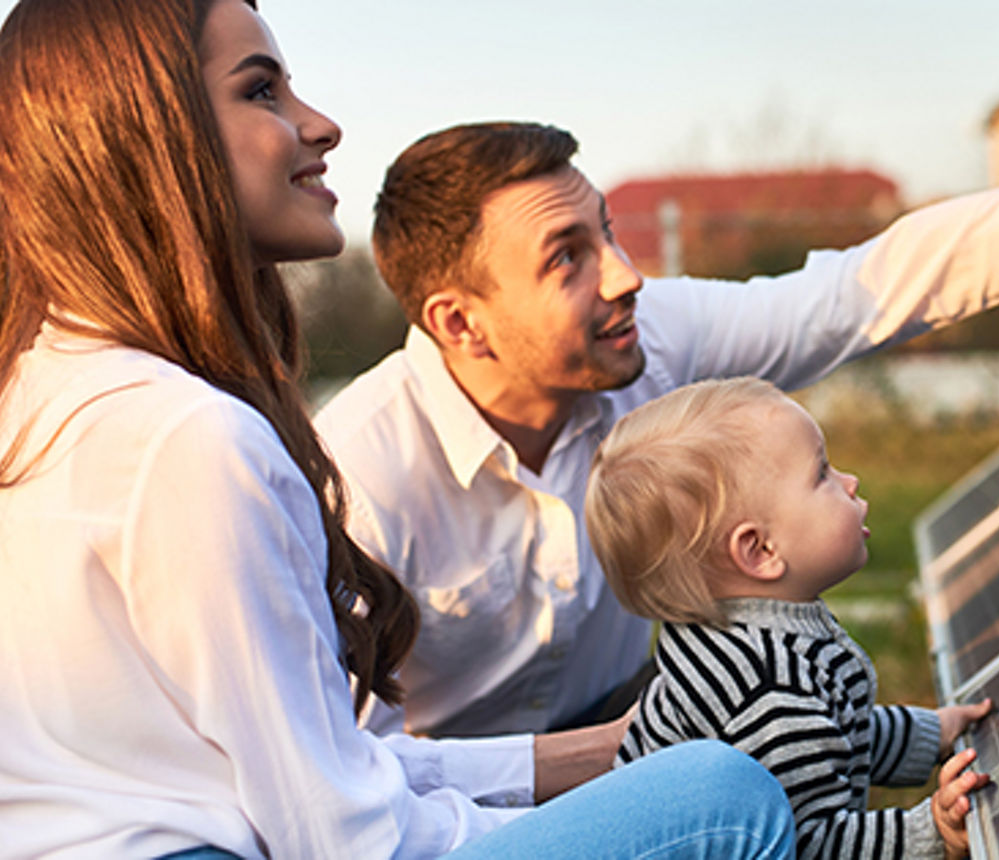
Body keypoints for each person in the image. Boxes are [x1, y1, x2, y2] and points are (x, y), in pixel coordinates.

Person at [315, 0, 999, 740]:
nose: (626, 272)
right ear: (460, 322)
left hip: (630, 722)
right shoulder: (357, 477)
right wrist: (636, 758)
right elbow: (342, 781)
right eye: (567, 255)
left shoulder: (649, 338)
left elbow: (874, 285)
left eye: (605, 229)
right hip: (448, 811)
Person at [0, 1, 797, 857]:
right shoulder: (188, 441)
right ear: (147, 140)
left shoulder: (41, 389)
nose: (321, 124)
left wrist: (604, 756)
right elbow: (342, 836)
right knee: (723, 800)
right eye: (262, 91)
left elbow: (326, 768)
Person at [585, 376, 991, 860]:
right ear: (760, 550)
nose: (850, 481)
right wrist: (932, 832)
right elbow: (810, 845)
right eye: (821, 474)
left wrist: (932, 734)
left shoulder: (745, 634)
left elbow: (836, 736)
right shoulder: (769, 693)